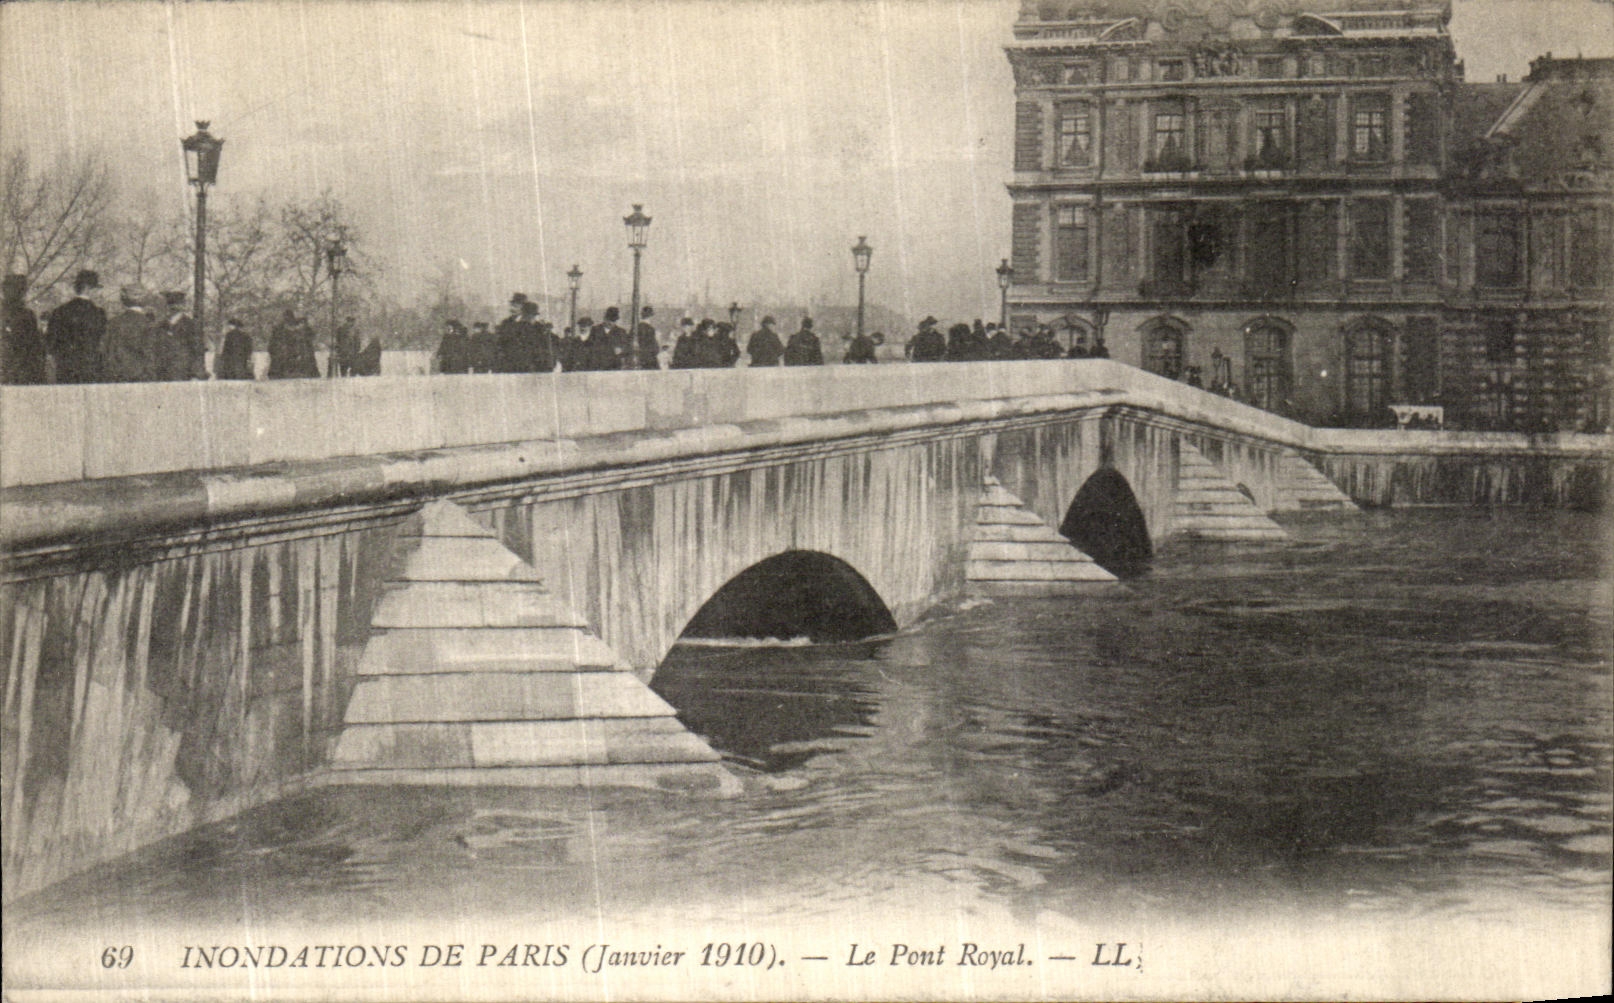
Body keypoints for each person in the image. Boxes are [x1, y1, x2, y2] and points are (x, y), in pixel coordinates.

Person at [45, 269, 106, 384]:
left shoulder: (60, 311)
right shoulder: (99, 313)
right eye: (96, 289)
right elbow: (103, 342)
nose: (98, 293)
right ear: (88, 288)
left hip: (66, 368)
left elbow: (50, 342)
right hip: (91, 369)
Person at [101, 285, 157, 383]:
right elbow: (150, 353)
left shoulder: (113, 322)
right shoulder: (147, 323)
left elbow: (105, 349)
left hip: (115, 376)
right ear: (144, 300)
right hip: (140, 377)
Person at [2, 273, 49, 384]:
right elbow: (34, 348)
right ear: (22, 293)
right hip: (21, 374)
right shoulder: (27, 315)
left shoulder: (5, 313)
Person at [154, 291, 205, 381]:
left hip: (183, 373)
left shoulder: (190, 325)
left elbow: (197, 351)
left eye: (174, 306)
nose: (170, 310)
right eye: (170, 306)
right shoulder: (161, 325)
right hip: (162, 373)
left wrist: (195, 374)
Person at [268, 308, 319, 378]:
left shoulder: (304, 331)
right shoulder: (279, 330)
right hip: (285, 363)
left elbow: (310, 340)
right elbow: (272, 348)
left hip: (300, 362)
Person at [632, 306, 660, 370]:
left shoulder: (637, 327)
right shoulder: (650, 329)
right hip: (649, 359)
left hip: (640, 358)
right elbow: (654, 347)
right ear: (650, 316)